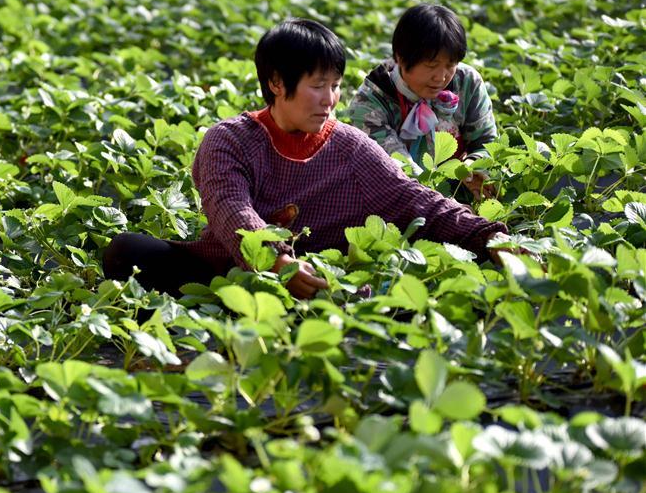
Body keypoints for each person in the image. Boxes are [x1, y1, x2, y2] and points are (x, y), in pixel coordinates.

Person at [103, 18, 508, 300]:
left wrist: (492, 237)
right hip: (222, 271)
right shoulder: (228, 141)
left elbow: (416, 200)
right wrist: (277, 262)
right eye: (318, 86)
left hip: (314, 279)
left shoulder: (350, 146)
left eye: (335, 86)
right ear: (277, 83)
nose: (330, 99)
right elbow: (231, 209)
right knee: (127, 250)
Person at [347, 3, 497, 200]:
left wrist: (471, 168)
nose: (441, 77)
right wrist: (446, 208)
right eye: (431, 65)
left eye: (450, 65)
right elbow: (397, 169)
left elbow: (486, 142)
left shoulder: (467, 82)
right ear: (400, 58)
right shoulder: (370, 102)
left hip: (460, 187)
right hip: (400, 197)